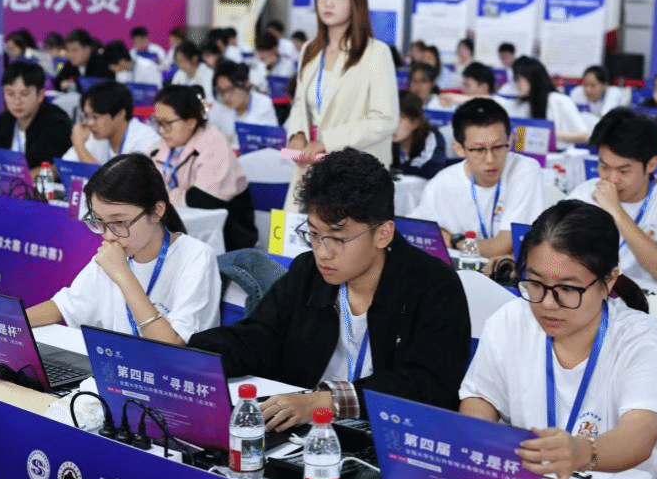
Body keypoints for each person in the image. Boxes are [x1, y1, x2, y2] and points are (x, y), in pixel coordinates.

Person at [188, 148, 471, 426]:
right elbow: (257, 337)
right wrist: (190, 358)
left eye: (338, 238)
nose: (323, 252)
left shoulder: (433, 285)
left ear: (383, 234)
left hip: (391, 436)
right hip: (312, 433)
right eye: (314, 234)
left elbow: (426, 384)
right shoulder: (309, 272)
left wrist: (327, 401)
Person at [459, 199, 657, 479]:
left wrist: (581, 452)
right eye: (535, 283)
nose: (547, 303)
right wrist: (479, 442)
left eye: (567, 289)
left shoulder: (643, 339)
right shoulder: (510, 321)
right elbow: (481, 398)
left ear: (608, 280)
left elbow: (639, 434)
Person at [26, 154, 220, 345]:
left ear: (157, 211)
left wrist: (123, 275)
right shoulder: (117, 253)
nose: (108, 235)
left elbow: (171, 345)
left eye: (119, 222)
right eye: (99, 221)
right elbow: (62, 307)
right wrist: (12, 321)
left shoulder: (196, 257)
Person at [284, 0, 399, 209]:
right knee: (293, 230)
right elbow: (300, 103)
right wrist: (297, 134)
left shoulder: (375, 53)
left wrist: (327, 141)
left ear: (355, 2)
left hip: (355, 174)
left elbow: (385, 120)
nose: (328, 3)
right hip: (310, 168)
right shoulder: (310, 50)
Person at [568, 108, 657, 292]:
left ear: (651, 164)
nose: (612, 179)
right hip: (592, 295)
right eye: (604, 167)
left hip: (652, 300)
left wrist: (616, 211)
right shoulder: (585, 193)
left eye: (623, 171)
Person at [410, 98, 546, 258]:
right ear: (459, 149)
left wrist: (457, 241)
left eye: (498, 147)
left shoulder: (524, 169)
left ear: (510, 140)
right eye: (479, 150)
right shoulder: (440, 184)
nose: (490, 159)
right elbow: (415, 234)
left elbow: (504, 246)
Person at [148, 85, 257, 251]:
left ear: (191, 122)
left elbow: (204, 199)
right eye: (157, 122)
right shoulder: (161, 146)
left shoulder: (214, 143)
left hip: (228, 238)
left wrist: (163, 197)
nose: (161, 130)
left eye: (167, 123)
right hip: (179, 228)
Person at [0, 62, 71, 172]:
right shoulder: (7, 119)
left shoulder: (56, 123)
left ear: (40, 95)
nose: (17, 101)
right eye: (10, 94)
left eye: (24, 94)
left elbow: (51, 167)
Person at [62, 81, 160, 165]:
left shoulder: (145, 141)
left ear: (120, 114)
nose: (90, 123)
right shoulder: (96, 135)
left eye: (95, 117)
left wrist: (79, 145)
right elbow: (65, 165)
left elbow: (116, 181)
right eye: (87, 116)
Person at [508, 56, 589, 145]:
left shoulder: (560, 101)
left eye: (518, 79)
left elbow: (584, 136)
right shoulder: (523, 104)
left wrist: (548, 134)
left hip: (559, 152)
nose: (517, 84)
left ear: (532, 79)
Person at [208, 60, 278, 148]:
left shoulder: (263, 104)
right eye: (221, 91)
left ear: (244, 85)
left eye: (230, 89)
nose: (226, 97)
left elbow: (270, 141)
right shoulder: (220, 108)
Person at [391, 91, 447, 179]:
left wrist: (397, 171)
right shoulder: (384, 138)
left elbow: (430, 169)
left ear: (415, 123)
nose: (392, 126)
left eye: (399, 121)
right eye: (389, 119)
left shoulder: (431, 137)